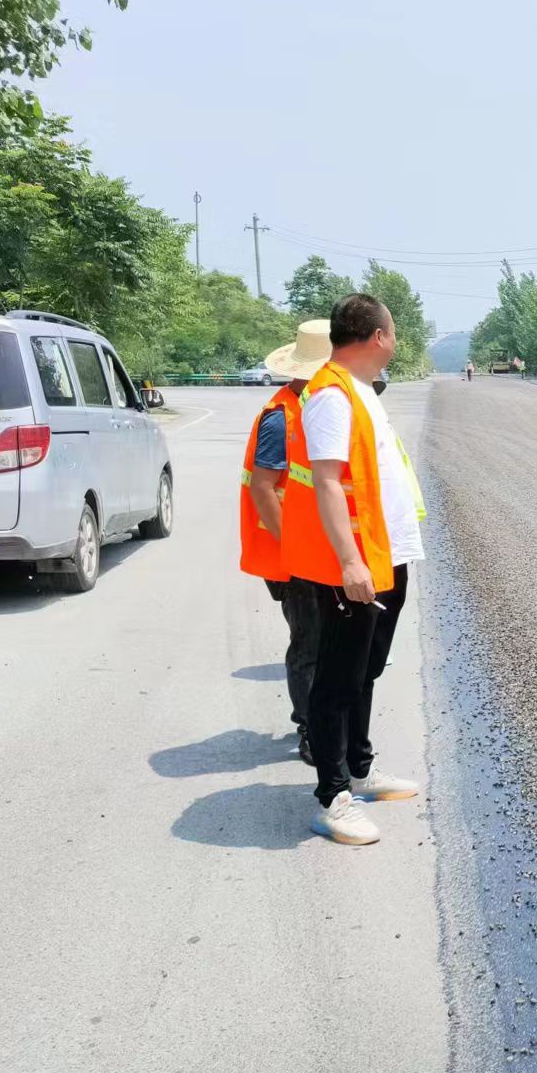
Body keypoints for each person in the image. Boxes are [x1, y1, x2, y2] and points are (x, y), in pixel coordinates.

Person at [282, 293, 428, 846]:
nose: (395, 339)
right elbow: (324, 481)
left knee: (365, 670)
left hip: (385, 556)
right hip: (355, 564)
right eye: (393, 330)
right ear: (378, 336)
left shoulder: (363, 391)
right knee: (336, 681)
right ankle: (331, 795)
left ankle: (360, 769)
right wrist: (349, 561)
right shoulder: (330, 395)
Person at [238, 320, 332, 765]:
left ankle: (324, 719)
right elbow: (263, 488)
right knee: (308, 644)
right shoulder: (282, 416)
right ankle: (309, 728)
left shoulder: (313, 407)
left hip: (319, 551)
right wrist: (293, 549)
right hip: (293, 556)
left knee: (326, 641)